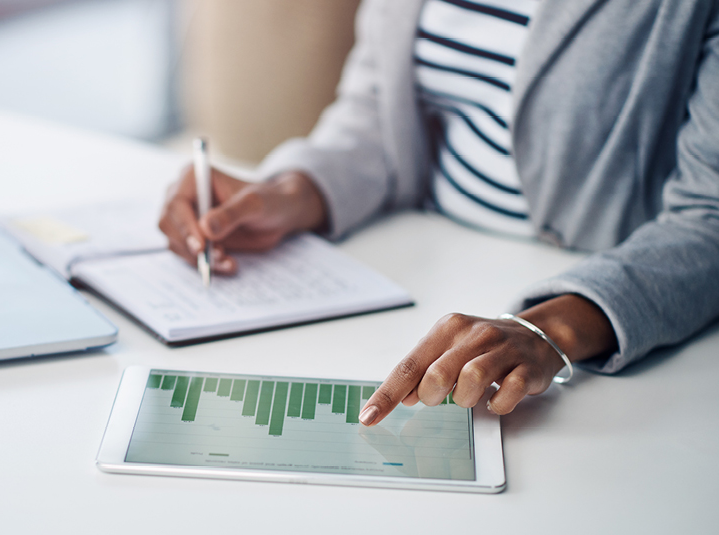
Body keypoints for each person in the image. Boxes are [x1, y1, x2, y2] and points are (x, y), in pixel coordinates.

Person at [159, 0, 719, 424]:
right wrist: (294, 189)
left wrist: (552, 325)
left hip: (628, 340)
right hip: (421, 269)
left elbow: (709, 216)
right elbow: (380, 110)